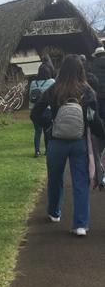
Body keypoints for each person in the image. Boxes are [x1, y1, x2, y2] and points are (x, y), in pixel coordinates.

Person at [31, 54, 100, 236]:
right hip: (79, 142)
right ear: (81, 70)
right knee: (80, 182)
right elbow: (94, 121)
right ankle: (80, 225)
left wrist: (48, 126)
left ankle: (54, 212)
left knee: (55, 178)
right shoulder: (88, 92)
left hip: (56, 141)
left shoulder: (53, 90)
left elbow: (35, 113)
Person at [29, 69, 55, 157]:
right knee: (47, 131)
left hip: (35, 110)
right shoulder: (51, 82)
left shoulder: (33, 83)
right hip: (46, 109)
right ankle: (47, 150)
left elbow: (30, 96)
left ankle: (37, 151)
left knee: (37, 132)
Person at [90, 46, 105, 120]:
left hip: (98, 92)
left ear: (96, 55)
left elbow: (92, 79)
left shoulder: (92, 65)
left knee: (99, 112)